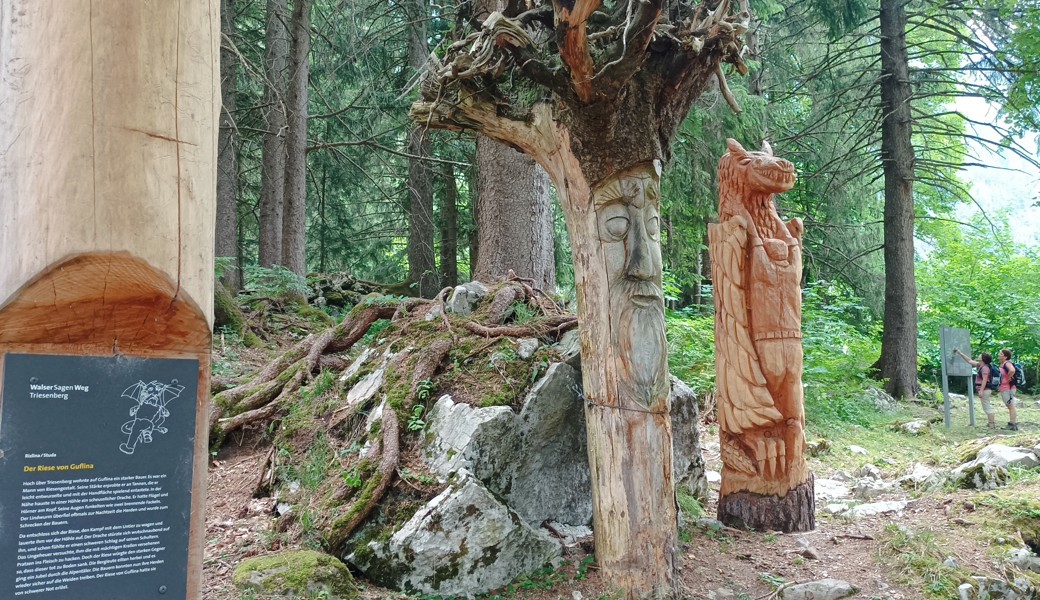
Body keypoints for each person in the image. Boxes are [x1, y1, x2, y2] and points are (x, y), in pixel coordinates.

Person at [954, 349, 996, 429]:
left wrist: (981, 390)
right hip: (984, 389)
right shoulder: (981, 365)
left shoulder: (985, 368)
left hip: (985, 390)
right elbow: (969, 361)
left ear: (983, 358)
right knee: (986, 406)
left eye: (981, 355)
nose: (979, 356)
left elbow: (985, 379)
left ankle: (991, 424)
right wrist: (960, 353)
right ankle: (990, 423)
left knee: (986, 407)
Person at [997, 348, 1019, 431]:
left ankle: (1013, 424)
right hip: (1005, 388)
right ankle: (1012, 423)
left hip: (1008, 388)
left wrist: (1008, 378)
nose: (999, 355)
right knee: (1010, 405)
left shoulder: (1007, 363)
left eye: (1001, 354)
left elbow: (1012, 370)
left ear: (1005, 357)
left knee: (1011, 406)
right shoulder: (1003, 364)